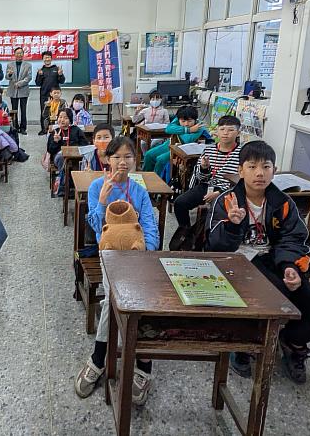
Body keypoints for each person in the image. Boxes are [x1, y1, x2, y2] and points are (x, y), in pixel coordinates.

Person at [206, 141, 310, 384]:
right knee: (271, 293)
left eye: (265, 167)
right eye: (252, 166)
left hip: (274, 258)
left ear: (274, 170)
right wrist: (233, 226)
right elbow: (214, 244)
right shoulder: (227, 201)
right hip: (236, 261)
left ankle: (294, 343)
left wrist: (290, 266)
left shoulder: (283, 203)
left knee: (308, 297)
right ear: (240, 170)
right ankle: (245, 345)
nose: (259, 173)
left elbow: (295, 238)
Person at [75, 136, 159, 405]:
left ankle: (104, 358)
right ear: (107, 160)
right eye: (117, 157)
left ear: (136, 161)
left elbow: (150, 227)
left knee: (142, 297)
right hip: (109, 255)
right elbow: (97, 230)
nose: (123, 162)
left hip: (139, 255)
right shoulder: (98, 186)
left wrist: (146, 256)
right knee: (115, 295)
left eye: (128, 157)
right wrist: (101, 201)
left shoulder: (140, 191)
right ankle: (136, 363)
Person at [170, 115, 242, 250]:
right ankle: (187, 232)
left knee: (213, 212)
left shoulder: (241, 153)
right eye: (222, 129)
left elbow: (240, 182)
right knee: (180, 203)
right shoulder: (209, 149)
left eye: (231, 130)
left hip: (227, 190)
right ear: (217, 131)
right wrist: (204, 168)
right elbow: (201, 178)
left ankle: (208, 239)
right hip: (206, 186)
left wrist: (218, 193)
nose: (225, 133)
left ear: (238, 133)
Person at [141, 105, 211, 176]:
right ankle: (145, 177)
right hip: (169, 144)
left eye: (190, 121)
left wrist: (176, 130)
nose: (186, 124)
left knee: (161, 160)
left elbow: (187, 139)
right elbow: (168, 129)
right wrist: (188, 130)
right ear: (178, 119)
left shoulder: (199, 127)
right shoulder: (179, 119)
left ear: (195, 120)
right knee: (148, 154)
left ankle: (158, 181)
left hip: (181, 150)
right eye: (183, 121)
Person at [35, 51, 65, 134]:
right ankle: (44, 129)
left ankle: (57, 127)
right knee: (44, 112)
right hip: (44, 95)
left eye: (48, 57)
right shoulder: (41, 70)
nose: (47, 59)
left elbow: (62, 81)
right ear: (43, 59)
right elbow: (37, 83)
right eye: (45, 57)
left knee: (57, 111)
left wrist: (60, 74)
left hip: (55, 96)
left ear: (51, 58)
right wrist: (40, 75)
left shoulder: (56, 69)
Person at [6, 46, 32, 134]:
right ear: (14, 54)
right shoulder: (10, 65)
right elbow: (7, 77)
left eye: (21, 53)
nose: (19, 55)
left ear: (23, 54)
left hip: (23, 89)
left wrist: (19, 84)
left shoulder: (28, 65)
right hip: (13, 90)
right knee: (14, 110)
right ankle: (15, 127)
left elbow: (29, 77)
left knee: (23, 110)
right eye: (17, 53)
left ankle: (23, 128)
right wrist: (9, 74)